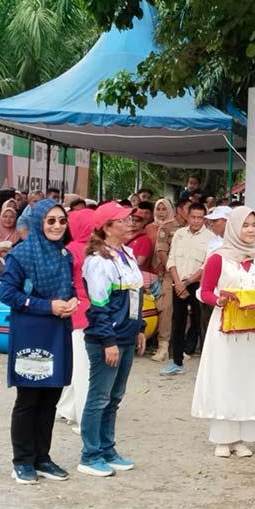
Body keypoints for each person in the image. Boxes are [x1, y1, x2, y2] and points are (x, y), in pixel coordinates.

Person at [0, 199, 77, 484]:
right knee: (29, 397)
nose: (57, 226)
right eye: (51, 220)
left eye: (62, 220)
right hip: (30, 332)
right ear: (38, 222)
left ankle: (42, 458)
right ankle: (22, 460)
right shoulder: (21, 255)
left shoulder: (64, 255)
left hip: (57, 331)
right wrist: (47, 307)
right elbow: (7, 294)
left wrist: (72, 301)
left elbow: (68, 287)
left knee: (51, 397)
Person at [192, 207, 255, 457]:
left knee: (249, 378)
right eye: (245, 225)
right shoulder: (218, 257)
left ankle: (245, 437)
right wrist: (219, 300)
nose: (250, 230)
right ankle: (224, 439)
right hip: (224, 328)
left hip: (254, 329)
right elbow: (203, 291)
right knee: (225, 378)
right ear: (234, 227)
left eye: (254, 225)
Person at [79, 202, 146, 477]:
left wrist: (139, 328)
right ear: (107, 227)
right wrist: (109, 341)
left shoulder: (127, 255)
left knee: (115, 397)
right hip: (107, 339)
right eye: (122, 220)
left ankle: (107, 448)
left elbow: (134, 297)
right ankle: (90, 454)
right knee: (99, 397)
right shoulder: (98, 261)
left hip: (126, 335)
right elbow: (99, 306)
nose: (129, 223)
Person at [56, 208, 95, 434]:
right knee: (84, 369)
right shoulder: (97, 251)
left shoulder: (68, 250)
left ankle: (72, 411)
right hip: (90, 311)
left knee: (80, 368)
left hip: (76, 311)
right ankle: (78, 413)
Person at [161, 202, 212, 375]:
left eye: (200, 217)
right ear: (187, 216)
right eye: (193, 217)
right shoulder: (179, 234)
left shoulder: (210, 238)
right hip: (178, 283)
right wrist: (178, 283)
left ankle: (207, 366)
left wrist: (188, 282)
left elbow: (206, 266)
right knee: (178, 322)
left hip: (197, 284)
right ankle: (177, 362)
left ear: (204, 218)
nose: (196, 221)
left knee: (201, 323)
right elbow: (172, 259)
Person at [147, 198, 178, 362]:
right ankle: (162, 346)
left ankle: (170, 346)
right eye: (158, 208)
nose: (161, 212)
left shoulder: (177, 228)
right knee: (162, 307)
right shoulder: (149, 228)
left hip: (174, 273)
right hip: (155, 273)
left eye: (164, 209)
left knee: (170, 309)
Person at [126, 208, 154, 273]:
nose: (133, 223)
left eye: (138, 220)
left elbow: (139, 263)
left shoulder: (145, 240)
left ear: (144, 222)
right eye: (131, 220)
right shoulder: (125, 237)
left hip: (137, 276)